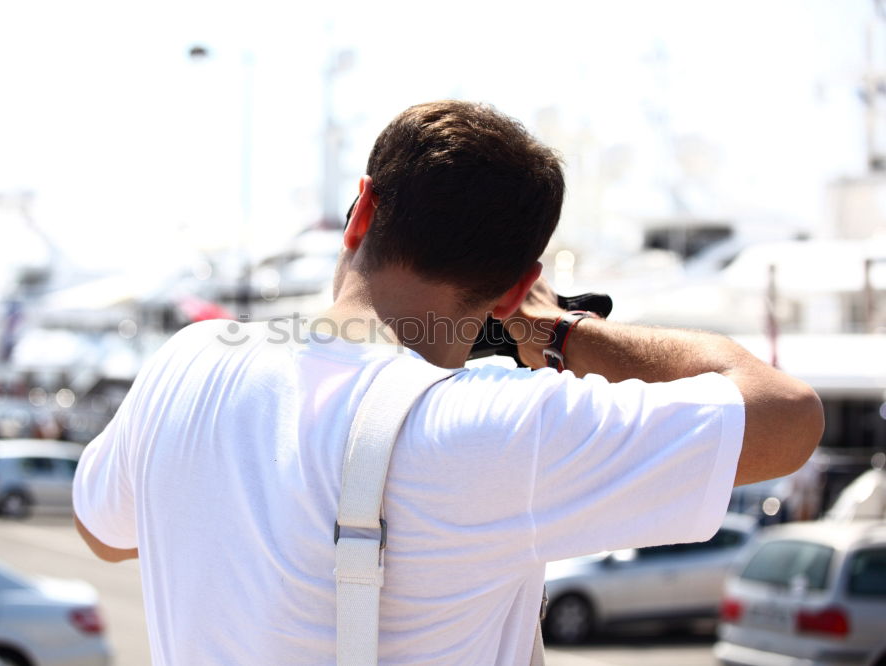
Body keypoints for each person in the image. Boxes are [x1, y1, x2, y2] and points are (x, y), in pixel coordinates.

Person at [73, 100, 824, 665]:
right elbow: (788, 418)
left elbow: (104, 533)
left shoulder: (191, 360)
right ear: (517, 285)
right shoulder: (499, 431)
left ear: (362, 210)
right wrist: (562, 331)